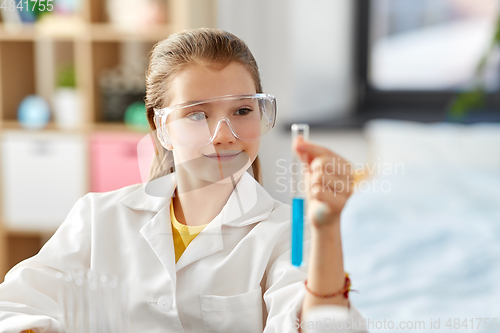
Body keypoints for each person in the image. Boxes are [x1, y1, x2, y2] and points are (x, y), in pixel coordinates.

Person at [0, 28, 367, 333]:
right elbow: (13, 305)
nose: (224, 134)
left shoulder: (286, 233)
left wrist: (328, 229)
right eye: (197, 115)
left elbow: (323, 326)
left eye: (242, 111)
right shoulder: (98, 218)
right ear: (161, 127)